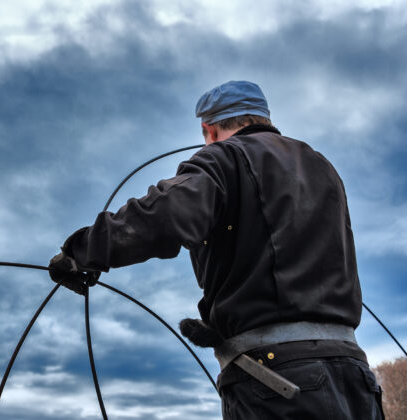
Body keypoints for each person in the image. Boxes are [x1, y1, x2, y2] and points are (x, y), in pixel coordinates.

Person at [48, 80, 384, 419]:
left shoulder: (223, 157)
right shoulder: (322, 167)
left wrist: (79, 252)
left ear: (208, 129)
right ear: (262, 117)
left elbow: (164, 216)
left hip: (279, 382)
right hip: (355, 377)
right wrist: (222, 327)